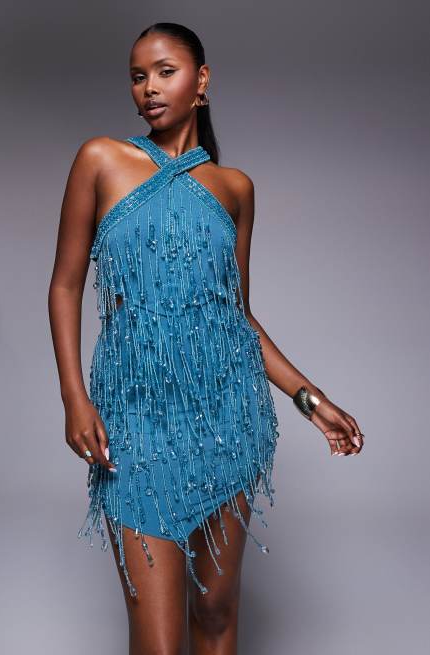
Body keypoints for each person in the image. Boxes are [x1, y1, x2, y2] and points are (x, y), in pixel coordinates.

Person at [48, 21, 364, 655]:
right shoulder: (101, 160)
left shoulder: (234, 188)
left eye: (165, 72)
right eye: (138, 77)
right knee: (158, 641)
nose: (149, 88)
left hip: (227, 418)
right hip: (135, 420)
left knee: (217, 614)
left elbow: (237, 315)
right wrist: (74, 398)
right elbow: (65, 286)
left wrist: (311, 400)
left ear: (202, 81)